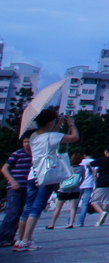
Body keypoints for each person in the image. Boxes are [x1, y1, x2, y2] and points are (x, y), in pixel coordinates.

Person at [14, 108, 79, 252]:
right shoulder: (52, 136)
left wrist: (58, 125)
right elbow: (74, 138)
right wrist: (71, 124)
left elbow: (49, 136)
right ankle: (27, 240)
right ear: (50, 121)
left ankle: (20, 239)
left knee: (28, 206)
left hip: (33, 174)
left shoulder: (33, 137)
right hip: (47, 176)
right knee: (37, 207)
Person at [0, 136, 32, 246]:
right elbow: (4, 168)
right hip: (15, 187)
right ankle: (2, 237)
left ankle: (9, 237)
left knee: (19, 212)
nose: (27, 144)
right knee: (12, 212)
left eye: (29, 142)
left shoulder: (35, 155)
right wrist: (12, 181)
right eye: (25, 142)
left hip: (26, 187)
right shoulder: (18, 153)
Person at [45, 152, 86, 228]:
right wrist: (78, 185)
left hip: (64, 189)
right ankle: (71, 223)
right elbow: (83, 178)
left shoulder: (67, 167)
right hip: (75, 190)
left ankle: (52, 224)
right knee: (72, 207)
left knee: (58, 208)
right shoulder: (82, 168)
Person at [87, 148, 109, 226]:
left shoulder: (101, 160)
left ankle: (102, 213)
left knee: (93, 201)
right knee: (105, 202)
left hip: (101, 182)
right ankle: (101, 219)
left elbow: (88, 164)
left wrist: (90, 170)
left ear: (106, 152)